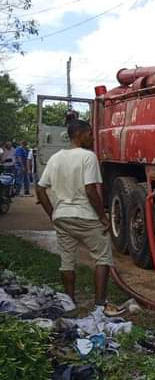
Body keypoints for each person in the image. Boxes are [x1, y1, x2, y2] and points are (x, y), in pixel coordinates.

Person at [36, 120, 113, 310]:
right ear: (79, 134)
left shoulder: (55, 158)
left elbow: (39, 189)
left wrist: (53, 214)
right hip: (85, 216)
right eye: (89, 134)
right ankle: (99, 305)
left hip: (62, 217)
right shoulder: (88, 157)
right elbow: (90, 190)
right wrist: (103, 217)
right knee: (103, 257)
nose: (92, 138)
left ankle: (69, 303)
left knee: (67, 261)